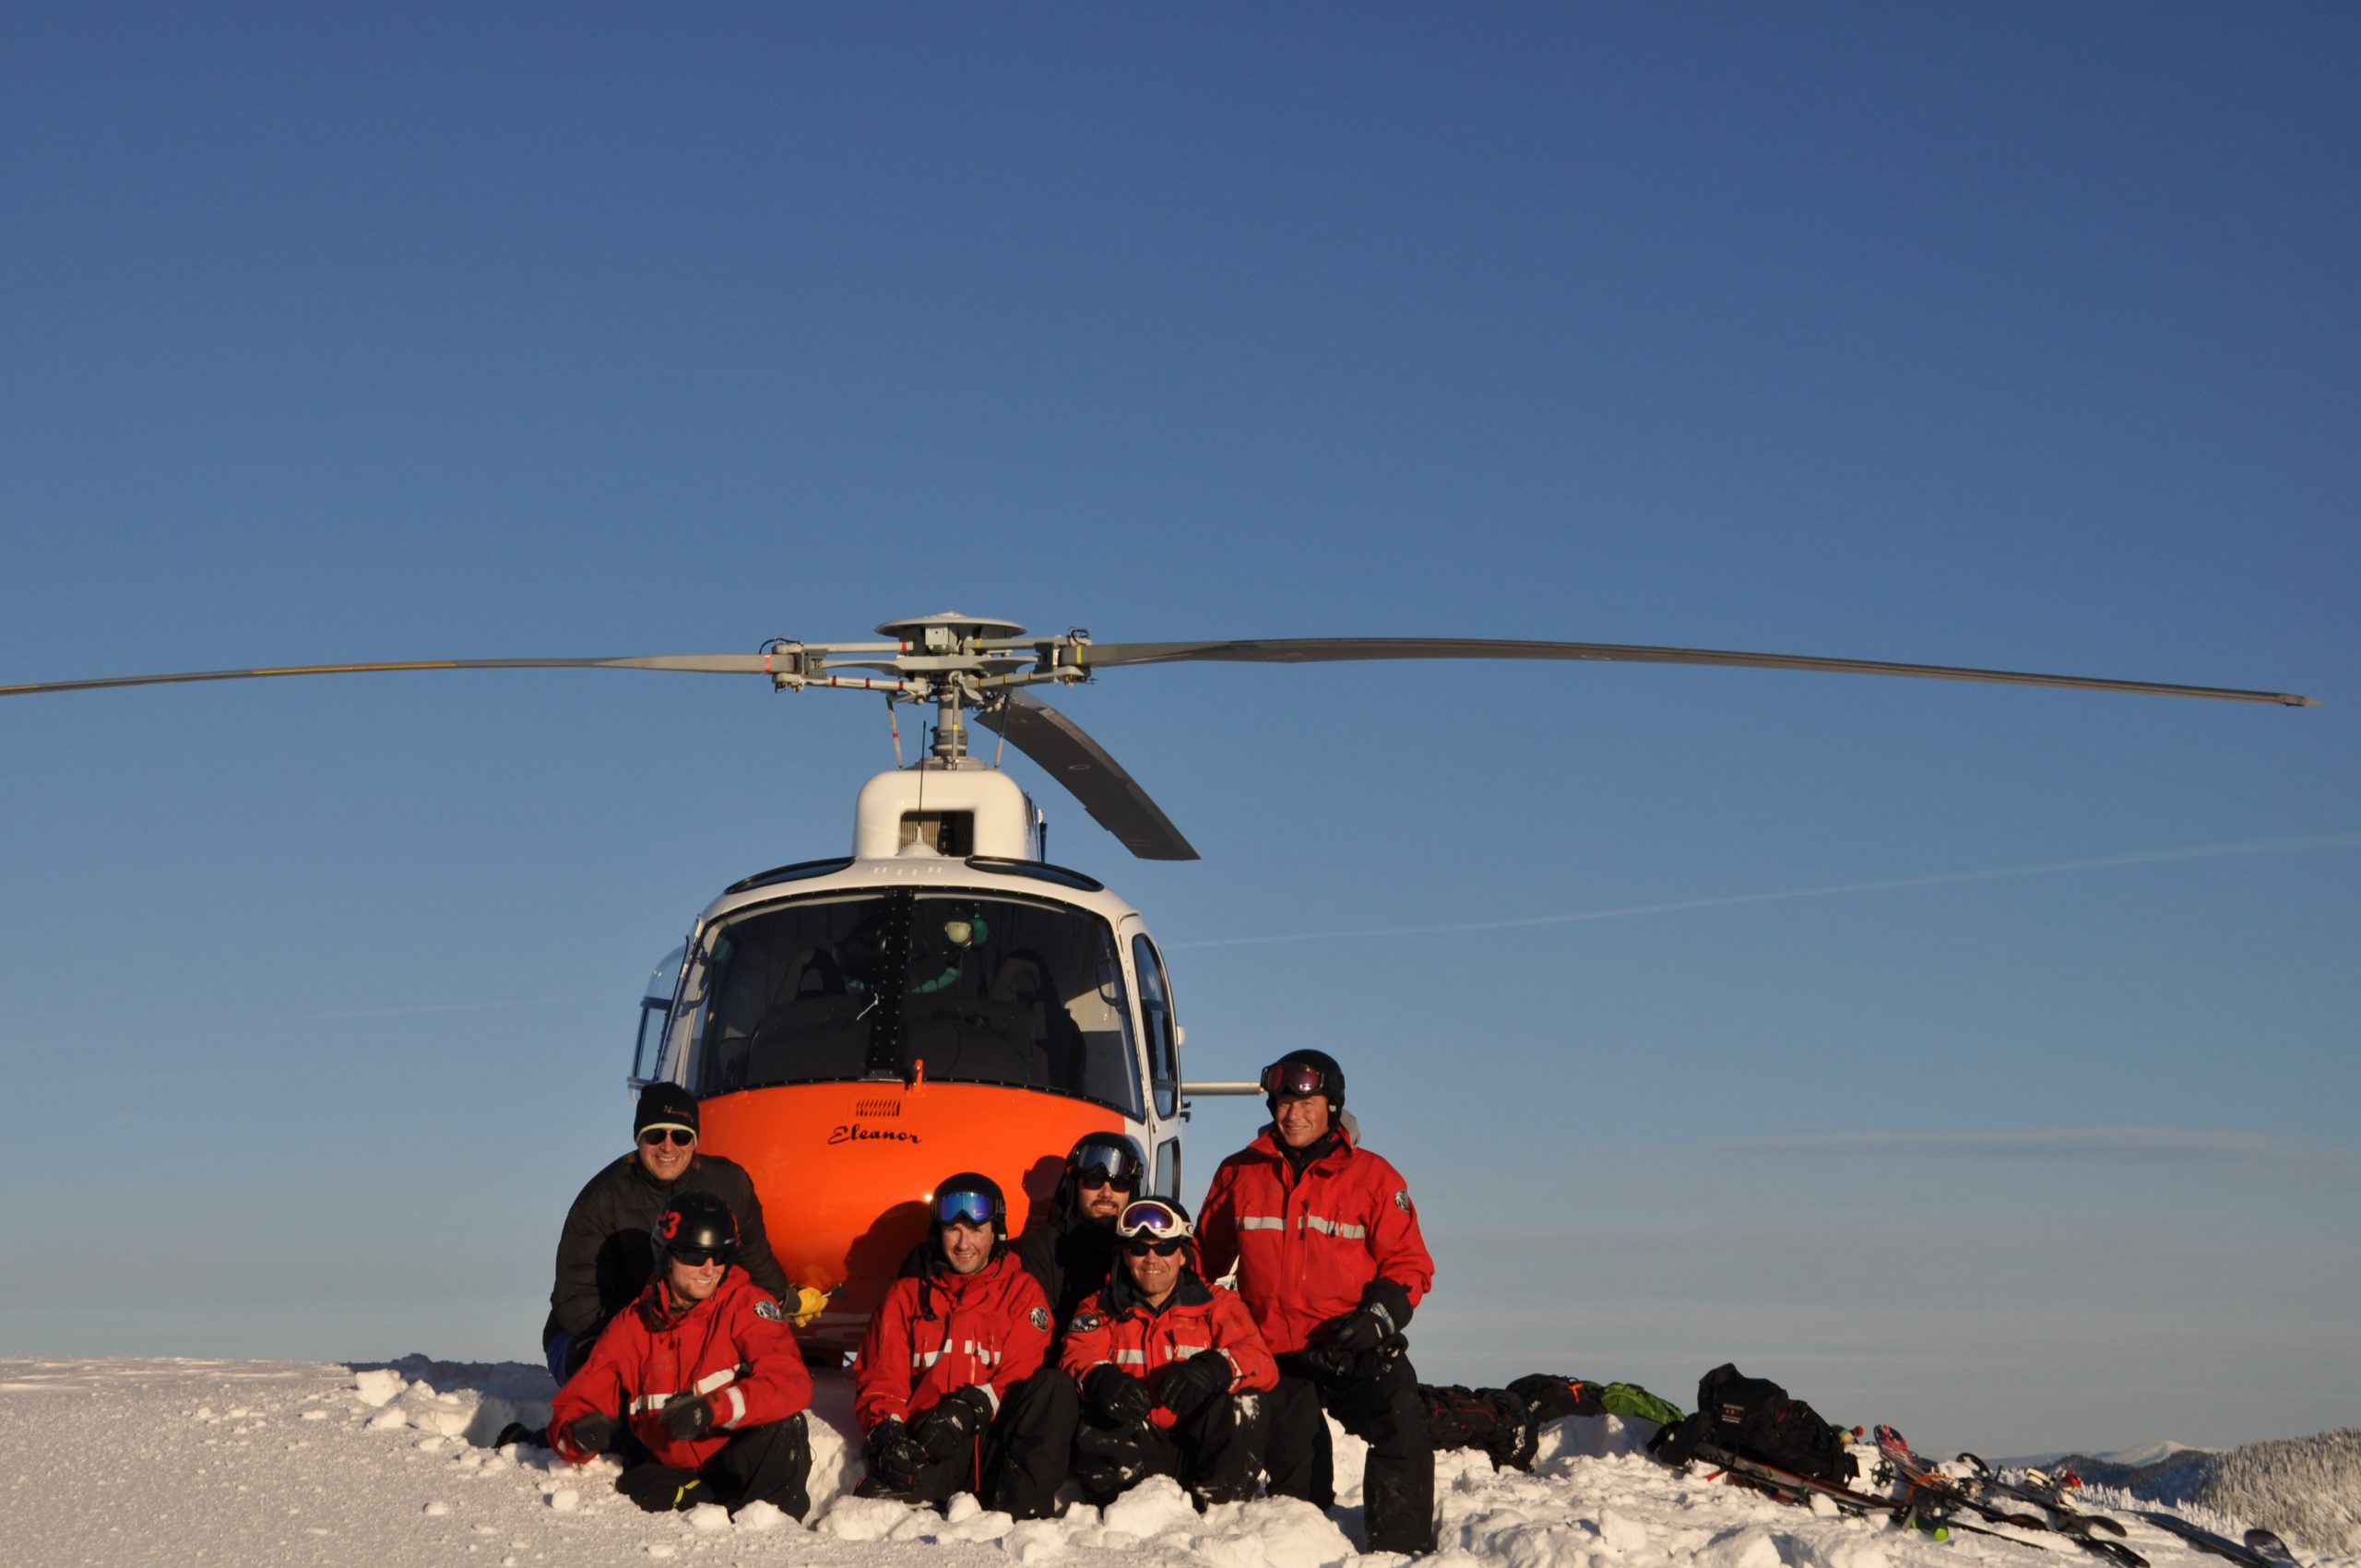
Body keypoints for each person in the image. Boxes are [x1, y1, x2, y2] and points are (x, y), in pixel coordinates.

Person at [1197, 1050, 1439, 1554]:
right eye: (1284, 1102)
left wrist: (1376, 1320)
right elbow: (1202, 1264)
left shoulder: (1374, 1177)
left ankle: (1398, 1550)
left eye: (1307, 1102)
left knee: (1402, 1418)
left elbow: (1410, 1265)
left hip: (1353, 1342)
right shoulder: (1239, 1174)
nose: (1294, 1114)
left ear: (1332, 1106)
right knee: (1298, 1498)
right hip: (1278, 1354)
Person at [546, 1191, 814, 1518]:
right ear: (665, 1256)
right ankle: (707, 1506)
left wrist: (712, 1410)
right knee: (634, 1488)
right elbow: (576, 1404)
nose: (709, 1269)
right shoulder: (631, 1327)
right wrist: (577, 1436)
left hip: (739, 1461)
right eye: (693, 1255)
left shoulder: (747, 1306)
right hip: (671, 1468)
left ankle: (770, 1533)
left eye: (720, 1256)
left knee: (785, 1427)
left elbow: (790, 1382)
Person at [542, 1082, 794, 1382]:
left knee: (756, 1369)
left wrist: (781, 1300)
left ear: (695, 1140)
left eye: (681, 1135)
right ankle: (554, 1429)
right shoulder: (601, 1199)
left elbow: (755, 1260)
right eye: (655, 1134)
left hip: (690, 1334)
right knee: (612, 1383)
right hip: (597, 1331)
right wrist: (651, 1339)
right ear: (639, 1139)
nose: (668, 1146)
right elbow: (577, 1303)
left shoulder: (730, 1184)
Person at [853, 1172, 1065, 1517]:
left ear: (996, 1233)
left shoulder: (1022, 1293)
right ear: (938, 1232)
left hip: (997, 1448)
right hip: (929, 1447)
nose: (964, 1244)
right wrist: (888, 1433)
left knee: (1055, 1387)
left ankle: (1021, 1517)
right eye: (954, 1230)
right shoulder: (905, 1296)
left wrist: (970, 1409)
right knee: (868, 1519)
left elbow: (1025, 1368)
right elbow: (880, 1378)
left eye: (976, 1231)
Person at [1060, 1197, 1277, 1510]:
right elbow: (1075, 1356)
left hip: (1198, 1444)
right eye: (1139, 1248)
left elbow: (1262, 1362)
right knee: (1098, 1412)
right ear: (1124, 1254)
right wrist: (1102, 1379)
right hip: (1137, 1445)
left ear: (1183, 1256)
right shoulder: (1097, 1307)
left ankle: (1219, 1516)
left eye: (1164, 1248)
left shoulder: (1218, 1304)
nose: (1151, 1258)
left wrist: (1217, 1367)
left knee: (1246, 1404)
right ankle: (1123, 1517)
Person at [1015, 1132, 1146, 1336]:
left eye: (1119, 1183)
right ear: (1074, 1185)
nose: (1106, 1193)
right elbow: (1034, 1335)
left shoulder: (1147, 1251)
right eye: (1094, 1180)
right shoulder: (1041, 1247)